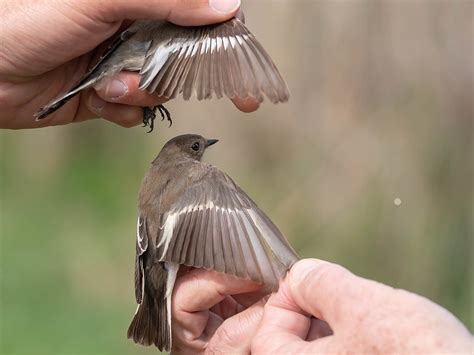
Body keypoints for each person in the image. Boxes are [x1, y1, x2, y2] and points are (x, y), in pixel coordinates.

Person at [1, 1, 472, 353]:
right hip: (128, 63)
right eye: (197, 149)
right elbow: (232, 224)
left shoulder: (159, 177)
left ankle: (153, 312)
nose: (203, 153)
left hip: (150, 243)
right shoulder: (202, 178)